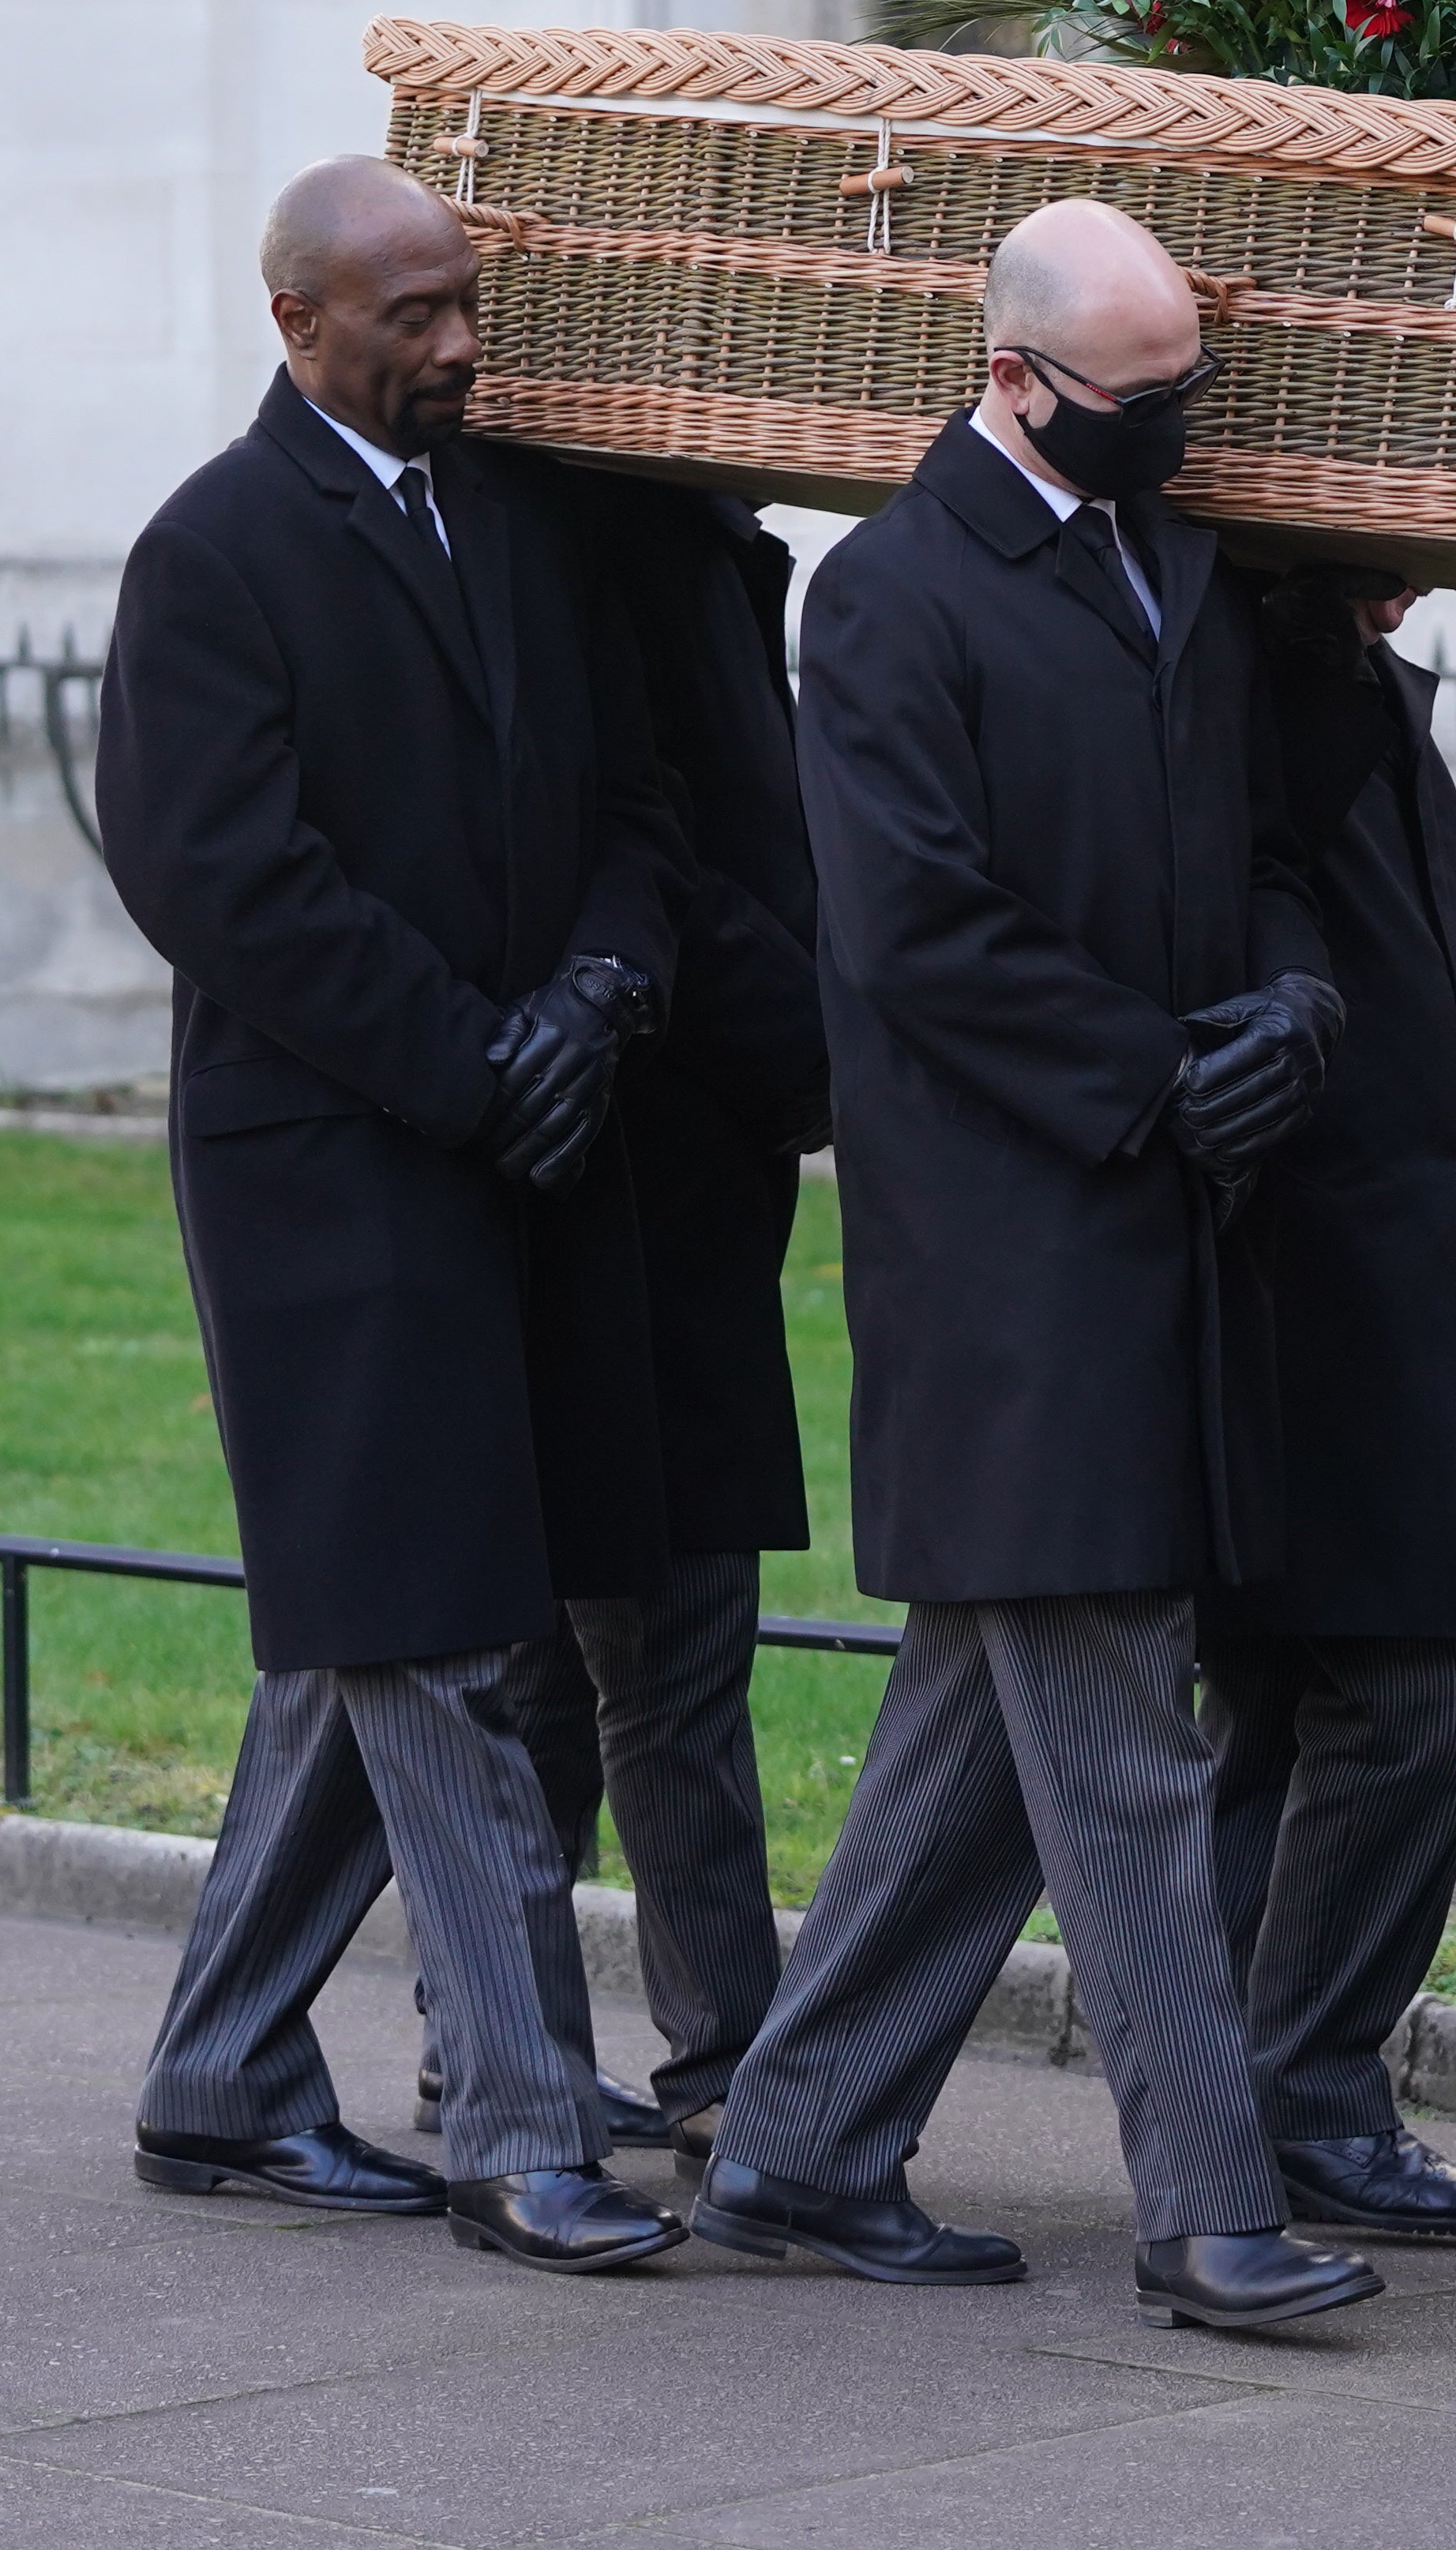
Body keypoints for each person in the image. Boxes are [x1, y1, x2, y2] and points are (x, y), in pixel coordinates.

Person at [683, 198, 1383, 2335]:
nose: (1179, 434)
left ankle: (795, 2149)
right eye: (1142, 402)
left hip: (1158, 1214)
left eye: (1193, 392)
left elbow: (1260, 846)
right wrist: (1167, 1075)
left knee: (977, 1753)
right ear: (1014, 380)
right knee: (1123, 1746)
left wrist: (1285, 1003)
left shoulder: (1173, 567)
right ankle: (1211, 2210)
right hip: (1006, 1258)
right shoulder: (887, 601)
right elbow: (915, 941)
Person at [93, 158, 683, 2276]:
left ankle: (223, 2073)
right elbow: (226, 883)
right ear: (298, 322)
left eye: (464, 304)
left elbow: (628, 805)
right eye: (410, 314)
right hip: (331, 1180)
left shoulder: (513, 516)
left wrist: (598, 998)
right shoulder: (215, 553)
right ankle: (523, 2128)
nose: (454, 344)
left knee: (377, 1628)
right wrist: (469, 1058)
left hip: (521, 1147)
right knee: (436, 1649)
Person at [1201, 561, 1456, 2239]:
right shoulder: (1246, 667)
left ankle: (1252, 2086)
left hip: (1392, 1244)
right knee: (1405, 1684)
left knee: (1297, 1694)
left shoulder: (1329, 665)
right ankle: (1297, 2084)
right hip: (1317, 1250)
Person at [474, 479, 822, 2171]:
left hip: (663, 1169)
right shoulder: (629, 559)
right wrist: (822, 1044)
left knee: (586, 1642)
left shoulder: (684, 554)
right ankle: (712, 2052)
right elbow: (672, 852)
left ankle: (517, 2040)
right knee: (653, 1642)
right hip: (642, 1162)